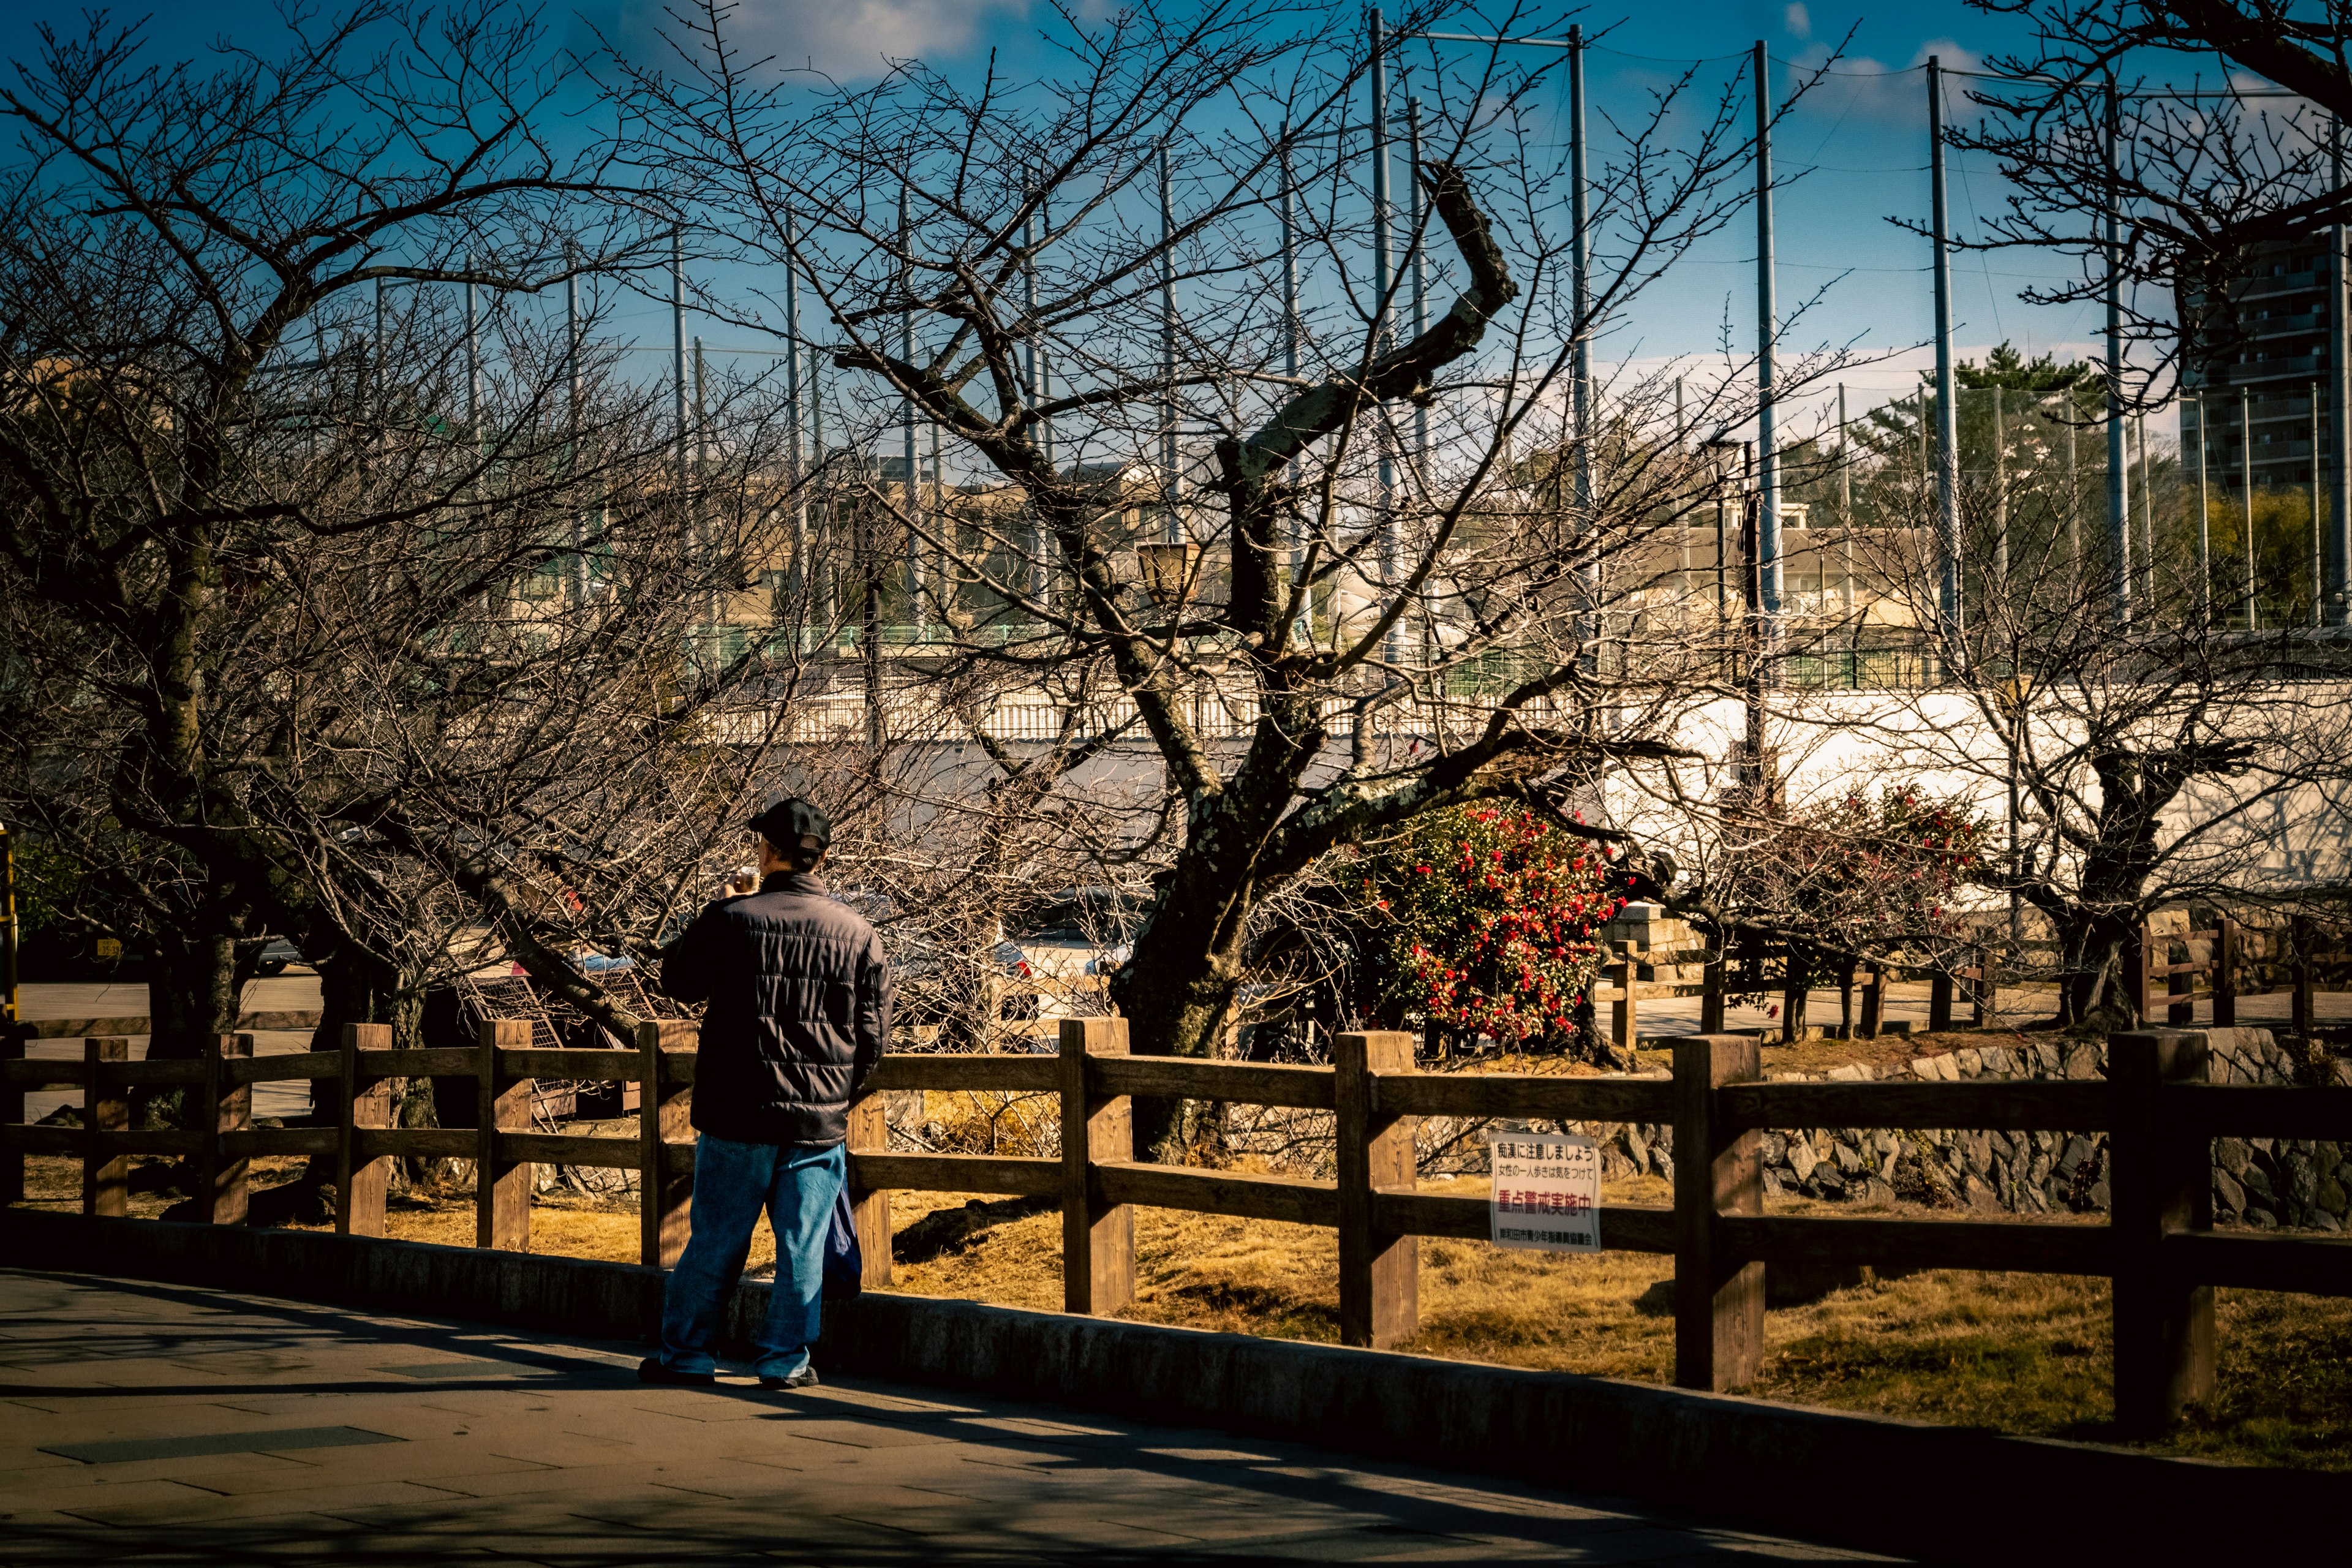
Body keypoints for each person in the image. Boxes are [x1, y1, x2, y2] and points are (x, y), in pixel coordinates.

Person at [638, 796, 891, 1390]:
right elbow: (873, 1041)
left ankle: (690, 1356)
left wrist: (726, 902)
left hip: (736, 1112)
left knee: (717, 1237)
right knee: (802, 1243)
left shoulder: (734, 919)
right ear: (823, 856)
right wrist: (834, 1096)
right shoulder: (860, 934)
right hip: (816, 1122)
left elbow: (675, 979)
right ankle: (784, 1360)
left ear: (768, 851)